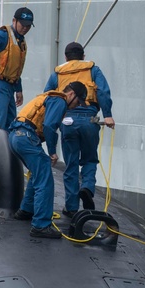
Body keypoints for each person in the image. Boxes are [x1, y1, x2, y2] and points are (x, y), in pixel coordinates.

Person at [44, 41, 115, 217]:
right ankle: (87, 187)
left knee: (71, 164)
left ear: (66, 57)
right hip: (90, 119)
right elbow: (103, 92)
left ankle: (71, 207)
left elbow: (47, 97)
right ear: (83, 56)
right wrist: (107, 115)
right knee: (90, 159)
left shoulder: (57, 74)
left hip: (67, 119)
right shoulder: (93, 70)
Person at [9, 82, 87, 239]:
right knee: (45, 180)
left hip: (15, 136)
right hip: (25, 137)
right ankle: (41, 225)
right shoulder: (60, 101)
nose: (76, 106)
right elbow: (49, 126)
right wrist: (52, 152)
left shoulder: (49, 98)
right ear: (71, 95)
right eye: (78, 102)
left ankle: (26, 210)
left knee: (38, 172)